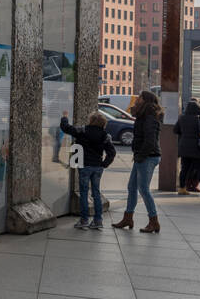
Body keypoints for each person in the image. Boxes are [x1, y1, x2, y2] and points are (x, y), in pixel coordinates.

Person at [114, 90, 162, 232]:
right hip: (142, 156)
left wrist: (141, 155)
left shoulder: (149, 117)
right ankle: (128, 218)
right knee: (132, 187)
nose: (136, 99)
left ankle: (154, 221)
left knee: (143, 189)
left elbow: (150, 140)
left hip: (147, 156)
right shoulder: (143, 115)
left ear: (145, 100)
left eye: (139, 97)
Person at [60, 111, 118, 229]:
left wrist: (64, 118)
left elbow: (66, 128)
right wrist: (104, 164)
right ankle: (98, 221)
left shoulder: (83, 130)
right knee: (96, 193)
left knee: (84, 193)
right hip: (97, 167)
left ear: (91, 120)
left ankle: (84, 220)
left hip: (84, 166)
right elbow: (112, 152)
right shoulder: (105, 135)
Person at [174, 100, 200, 196]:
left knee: (184, 169)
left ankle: (182, 188)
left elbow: (175, 130)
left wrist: (184, 135)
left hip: (184, 147)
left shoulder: (182, 118)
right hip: (197, 147)